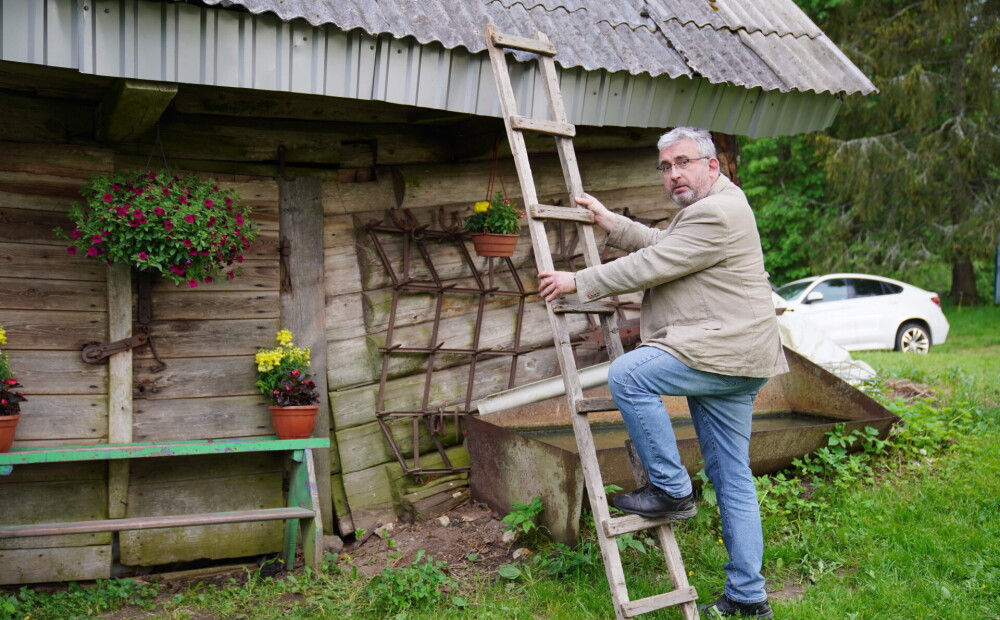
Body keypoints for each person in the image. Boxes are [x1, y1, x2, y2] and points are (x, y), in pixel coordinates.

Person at [537, 127, 787, 619]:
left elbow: (654, 262)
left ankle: (671, 491)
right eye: (666, 167)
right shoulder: (712, 207)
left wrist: (578, 281)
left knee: (630, 376)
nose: (674, 174)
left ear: (712, 164)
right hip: (736, 354)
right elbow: (667, 243)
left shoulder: (717, 211)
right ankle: (748, 596)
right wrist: (613, 222)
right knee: (732, 476)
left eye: (683, 162)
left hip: (721, 351)